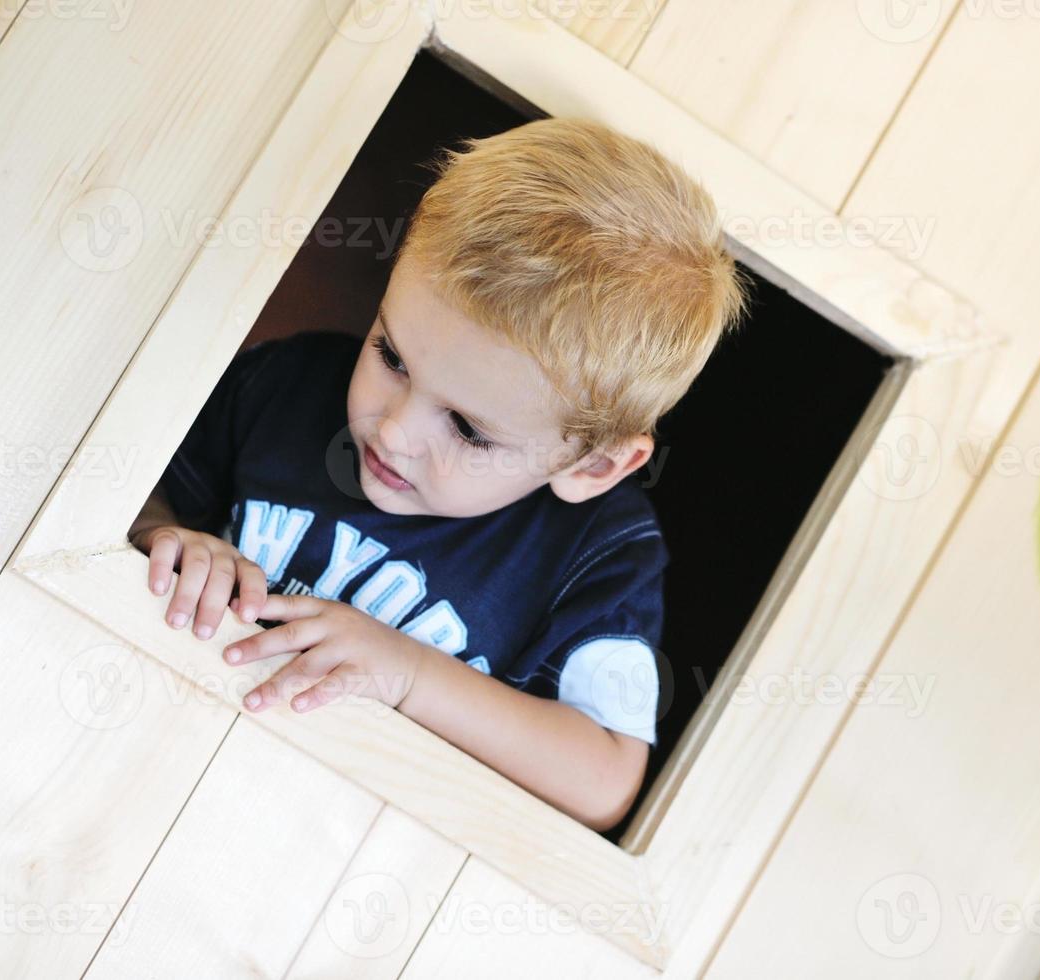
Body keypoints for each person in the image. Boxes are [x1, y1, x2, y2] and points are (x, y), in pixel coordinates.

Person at [127, 117, 752, 832]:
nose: (391, 429)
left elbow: (605, 778)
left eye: (466, 429)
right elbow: (127, 480)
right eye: (391, 355)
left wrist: (409, 673)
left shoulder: (596, 549)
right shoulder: (291, 383)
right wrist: (165, 532)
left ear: (594, 463)